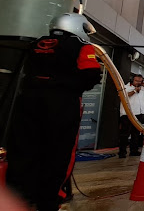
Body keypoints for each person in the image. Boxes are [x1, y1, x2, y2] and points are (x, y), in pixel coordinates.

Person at [6, 13, 101, 210]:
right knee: (58, 153)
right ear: (75, 26)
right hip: (62, 103)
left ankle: (18, 197)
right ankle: (48, 200)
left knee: (22, 150)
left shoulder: (36, 44)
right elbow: (91, 73)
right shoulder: (82, 46)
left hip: (27, 101)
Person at [119, 74, 144, 158]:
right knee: (125, 134)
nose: (138, 82)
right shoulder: (125, 87)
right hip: (127, 114)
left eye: (140, 81)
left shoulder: (143, 88)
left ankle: (134, 150)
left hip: (139, 113)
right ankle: (122, 152)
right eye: (136, 81)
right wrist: (134, 91)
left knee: (136, 133)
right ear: (132, 80)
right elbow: (123, 96)